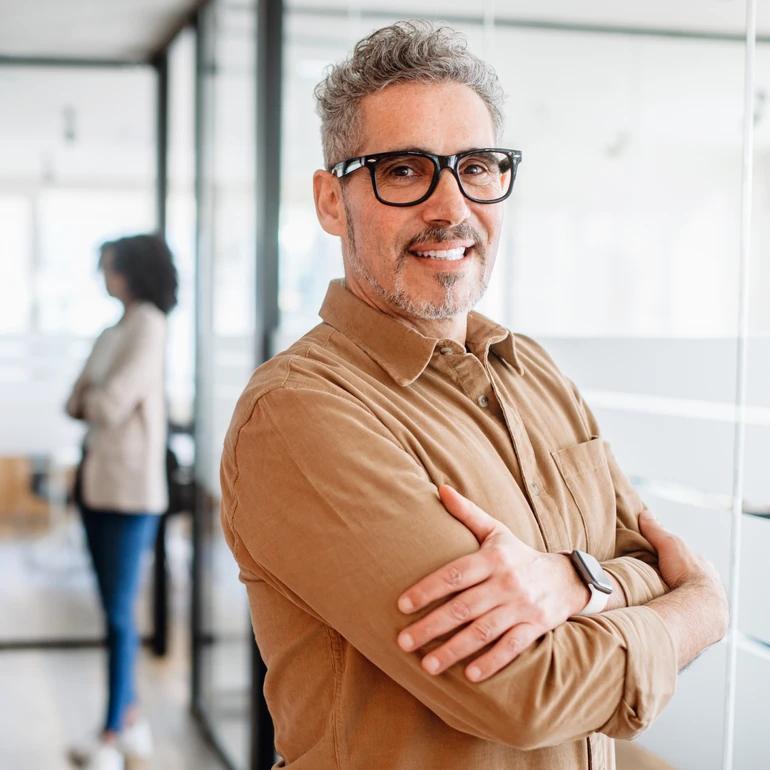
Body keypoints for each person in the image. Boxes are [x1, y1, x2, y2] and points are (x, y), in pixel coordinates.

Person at [220, 21, 728, 769]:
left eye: (478, 166)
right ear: (332, 202)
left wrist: (576, 582)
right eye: (403, 171)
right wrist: (700, 612)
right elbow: (527, 692)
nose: (450, 207)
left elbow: (647, 555)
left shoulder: (534, 374)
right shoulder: (300, 414)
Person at [65, 234, 178, 770]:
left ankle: (113, 732)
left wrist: (92, 393)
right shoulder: (113, 329)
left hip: (131, 492)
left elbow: (104, 404)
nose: (104, 277)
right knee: (112, 610)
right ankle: (128, 721)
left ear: (132, 271)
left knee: (117, 615)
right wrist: (91, 395)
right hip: (95, 485)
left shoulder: (149, 325)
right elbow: (74, 399)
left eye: (110, 268)